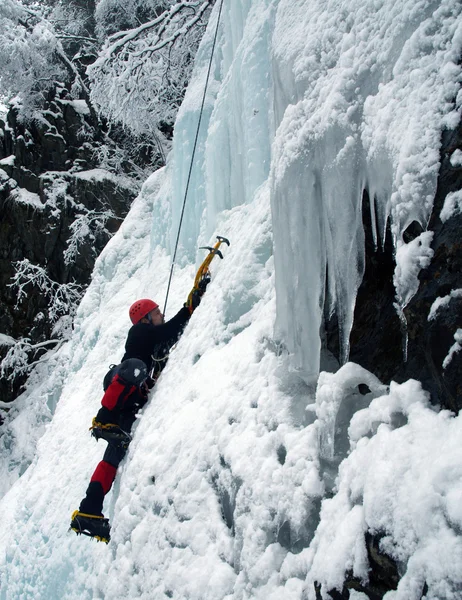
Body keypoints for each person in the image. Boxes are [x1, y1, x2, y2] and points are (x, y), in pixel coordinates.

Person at [70, 280, 209, 542]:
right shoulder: (139, 333)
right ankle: (103, 420)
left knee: (112, 458)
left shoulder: (150, 342)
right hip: (122, 383)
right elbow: (169, 330)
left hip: (129, 402)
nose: (161, 315)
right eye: (156, 313)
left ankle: (89, 511)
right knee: (135, 367)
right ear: (145, 318)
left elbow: (166, 340)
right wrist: (190, 305)